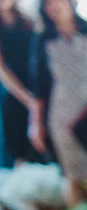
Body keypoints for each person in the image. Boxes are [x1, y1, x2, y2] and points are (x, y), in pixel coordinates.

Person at [29, 0, 87, 206]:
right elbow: (40, 86)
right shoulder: (44, 39)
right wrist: (36, 123)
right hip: (61, 114)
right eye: (50, 5)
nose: (56, 7)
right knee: (72, 176)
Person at [0, 0, 39, 167]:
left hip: (36, 85)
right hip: (12, 93)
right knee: (17, 147)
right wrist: (28, 99)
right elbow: (2, 71)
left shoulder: (28, 21)